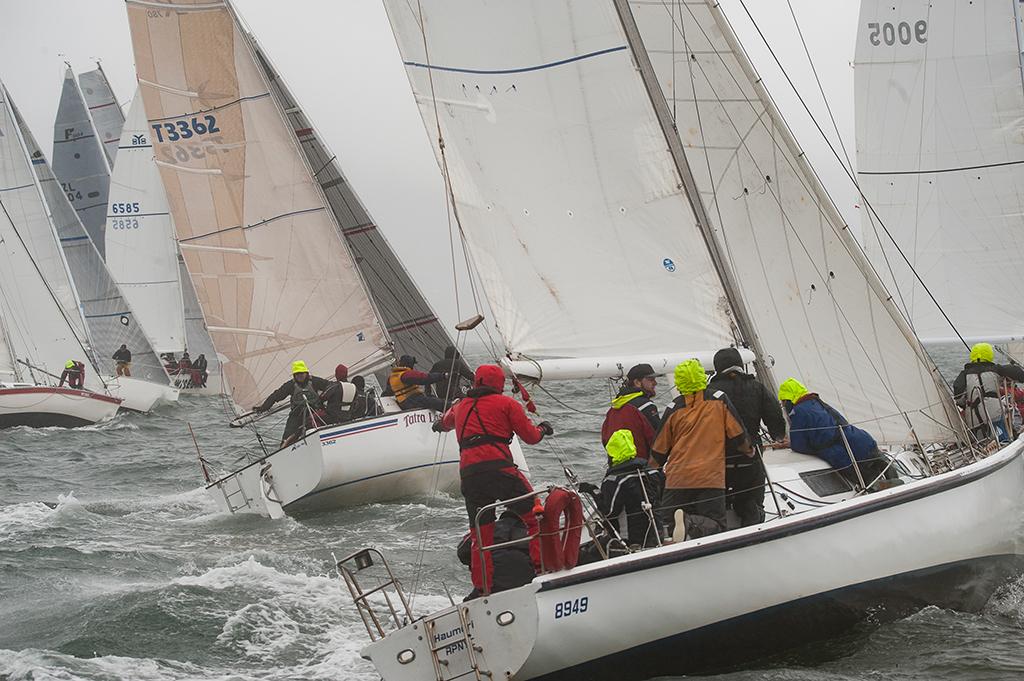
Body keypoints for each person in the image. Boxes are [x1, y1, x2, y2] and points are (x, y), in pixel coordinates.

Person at [434, 364, 553, 598]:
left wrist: (438, 425)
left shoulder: (459, 406)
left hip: (470, 476)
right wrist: (543, 429)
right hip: (501, 471)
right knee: (537, 518)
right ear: (499, 385)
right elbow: (530, 437)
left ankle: (484, 587)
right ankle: (543, 570)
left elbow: (445, 422)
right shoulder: (507, 404)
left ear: (476, 382)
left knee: (480, 534)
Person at [651, 359, 751, 541]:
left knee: (668, 528)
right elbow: (737, 434)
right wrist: (749, 450)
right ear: (701, 376)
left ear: (679, 382)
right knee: (716, 525)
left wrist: (651, 469)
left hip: (677, 479)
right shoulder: (719, 399)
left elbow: (659, 448)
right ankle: (690, 524)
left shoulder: (674, 407)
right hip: (709, 477)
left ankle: (677, 542)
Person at [707, 347, 786, 527]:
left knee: (721, 499)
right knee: (752, 498)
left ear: (717, 367)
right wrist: (778, 435)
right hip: (751, 454)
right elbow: (774, 417)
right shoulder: (757, 387)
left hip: (721, 458)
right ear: (740, 364)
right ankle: (754, 522)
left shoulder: (709, 392)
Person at [778, 378, 892, 488]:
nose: (783, 405)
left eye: (783, 401)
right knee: (875, 462)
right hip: (861, 439)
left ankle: (875, 485)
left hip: (838, 451)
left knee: (864, 480)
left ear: (789, 399)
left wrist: (791, 444)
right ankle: (888, 472)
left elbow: (799, 445)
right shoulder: (816, 402)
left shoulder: (798, 412)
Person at [579, 429, 664, 549]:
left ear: (611, 453)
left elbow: (608, 511)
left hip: (628, 541)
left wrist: (592, 490)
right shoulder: (652, 472)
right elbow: (661, 497)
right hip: (656, 535)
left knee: (585, 554)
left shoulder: (614, 480)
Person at [952, 342, 1024, 443]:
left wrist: (964, 405)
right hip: (994, 413)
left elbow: (958, 393)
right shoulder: (996, 369)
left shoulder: (964, 374)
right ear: (990, 355)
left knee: (981, 443)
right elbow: (1019, 374)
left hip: (973, 418)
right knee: (1004, 440)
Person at [253, 360, 332, 448]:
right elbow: (275, 396)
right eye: (297, 374)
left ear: (306, 373)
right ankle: (284, 450)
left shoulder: (316, 381)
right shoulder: (290, 385)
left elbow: (332, 387)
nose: (300, 376)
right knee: (287, 436)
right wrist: (263, 408)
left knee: (323, 428)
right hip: (297, 414)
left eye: (302, 373)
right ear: (294, 375)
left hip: (315, 412)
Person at [600, 363, 661, 464]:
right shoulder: (646, 406)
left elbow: (605, 439)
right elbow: (659, 438)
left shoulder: (613, 409)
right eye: (650, 379)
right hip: (642, 467)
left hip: (618, 467)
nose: (655, 383)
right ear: (637, 382)